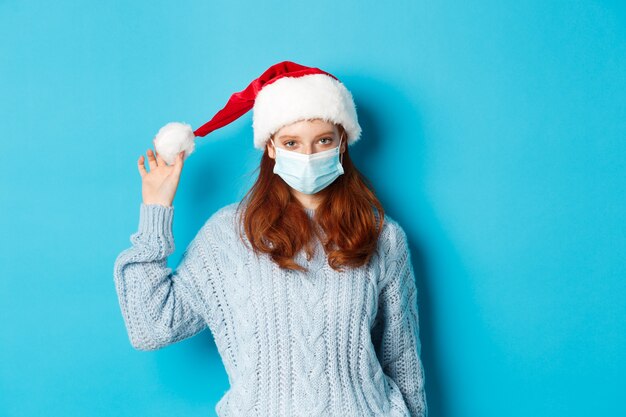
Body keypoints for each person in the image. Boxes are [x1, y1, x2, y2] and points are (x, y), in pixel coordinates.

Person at [113, 61, 428, 417]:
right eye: (292, 142)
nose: (308, 156)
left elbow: (401, 358)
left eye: (323, 140)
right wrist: (156, 209)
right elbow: (151, 327)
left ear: (342, 143)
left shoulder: (383, 237)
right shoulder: (227, 236)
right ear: (272, 148)